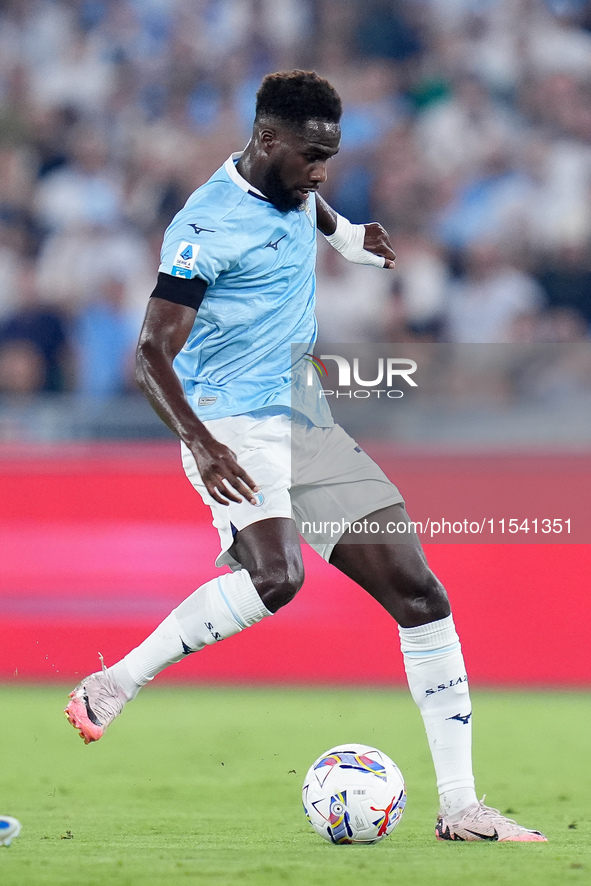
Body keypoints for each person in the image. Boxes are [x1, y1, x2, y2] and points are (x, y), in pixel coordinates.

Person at [64, 70, 545, 843]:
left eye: (332, 154)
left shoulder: (294, 188)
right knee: (276, 576)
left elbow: (310, 208)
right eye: (310, 155)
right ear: (266, 141)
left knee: (420, 595)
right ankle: (117, 680)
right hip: (231, 424)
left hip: (304, 418)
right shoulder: (205, 226)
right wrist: (202, 441)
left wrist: (349, 238)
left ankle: (460, 807)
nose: (321, 171)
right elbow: (150, 352)